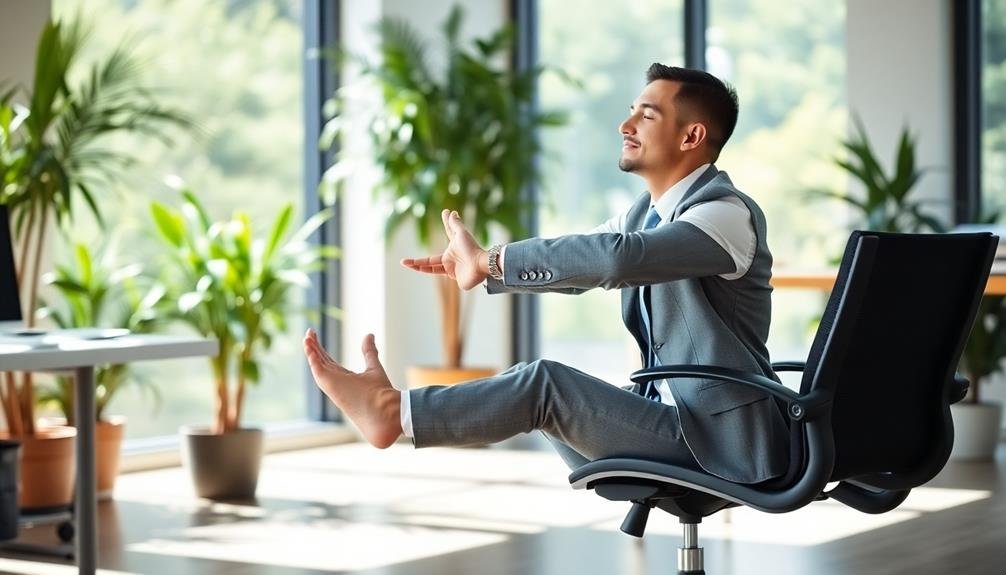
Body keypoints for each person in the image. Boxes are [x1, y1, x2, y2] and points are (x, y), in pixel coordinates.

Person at [303, 63, 789, 484]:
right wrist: (488, 268)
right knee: (538, 386)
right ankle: (397, 413)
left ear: (691, 136)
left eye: (647, 114)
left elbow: (617, 259)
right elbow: (584, 266)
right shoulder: (648, 213)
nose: (625, 124)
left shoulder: (725, 214)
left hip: (724, 443)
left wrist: (490, 262)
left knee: (544, 384)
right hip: (675, 420)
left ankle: (394, 413)